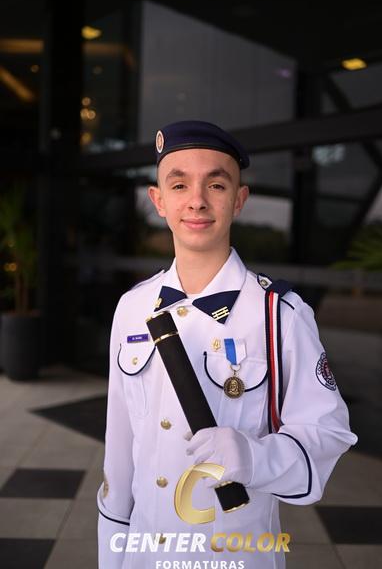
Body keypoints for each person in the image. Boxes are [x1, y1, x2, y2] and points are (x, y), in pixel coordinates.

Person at [97, 120, 357, 569]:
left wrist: (255, 457)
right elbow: (119, 454)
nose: (197, 200)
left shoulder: (279, 314)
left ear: (238, 199)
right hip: (142, 552)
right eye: (179, 184)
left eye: (216, 184)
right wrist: (111, 555)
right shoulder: (132, 307)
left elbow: (328, 434)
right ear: (158, 200)